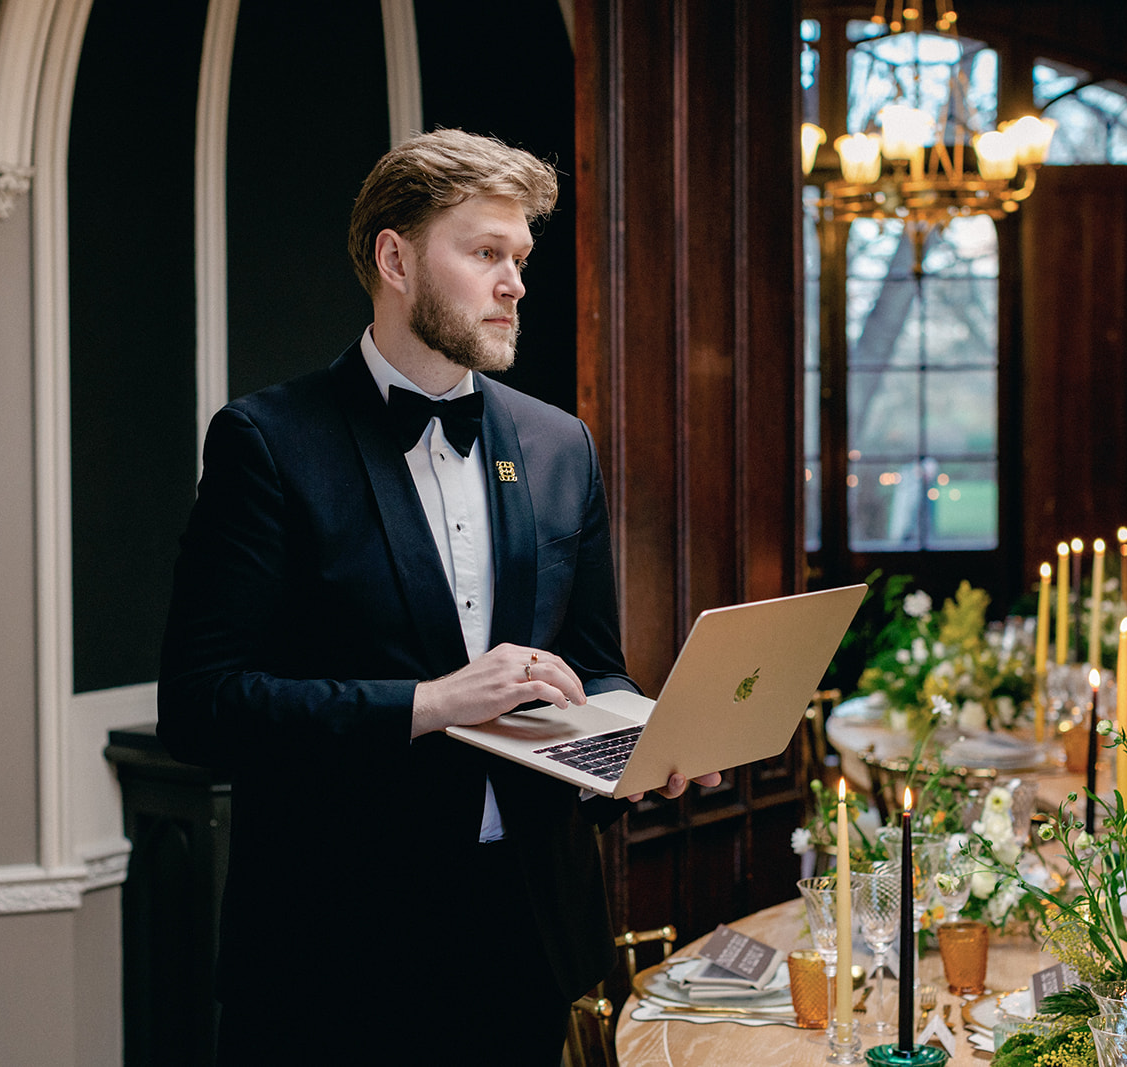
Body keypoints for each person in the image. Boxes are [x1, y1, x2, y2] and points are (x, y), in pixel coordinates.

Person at [157, 128, 718, 1064]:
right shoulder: (267, 442)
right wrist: (430, 705)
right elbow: (201, 706)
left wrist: (644, 740)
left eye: (521, 258)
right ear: (396, 258)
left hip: (525, 937)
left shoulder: (557, 444)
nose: (515, 284)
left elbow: (591, 662)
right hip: (331, 953)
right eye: (486, 253)